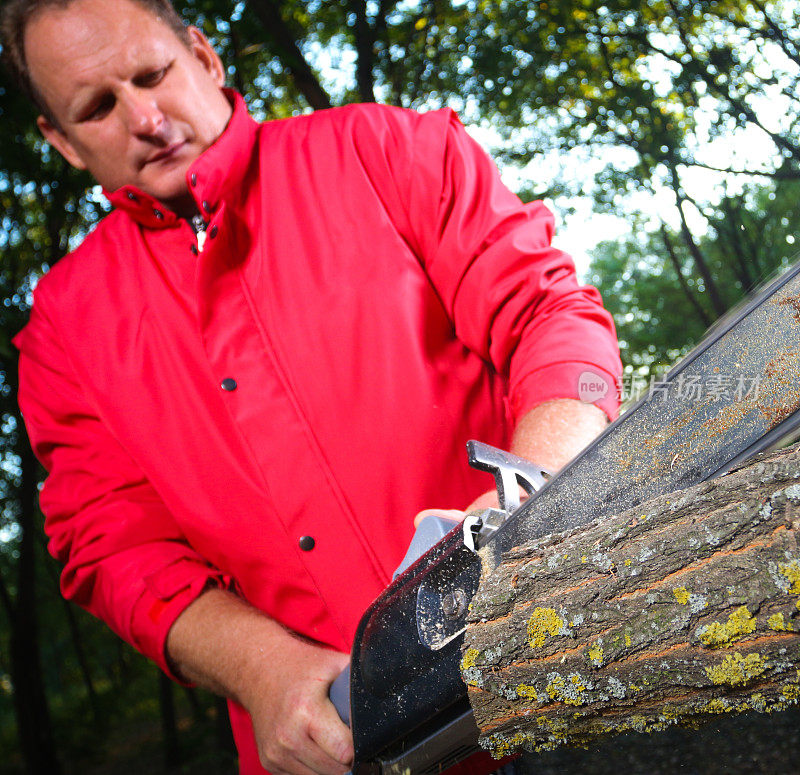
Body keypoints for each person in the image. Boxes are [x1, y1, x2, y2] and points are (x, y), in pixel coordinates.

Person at [2, 1, 622, 773]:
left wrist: (530, 502)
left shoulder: (385, 147)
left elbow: (548, 314)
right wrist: (260, 666)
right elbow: (111, 543)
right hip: (330, 747)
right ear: (60, 141)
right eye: (96, 107)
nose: (145, 117)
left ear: (204, 56)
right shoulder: (63, 327)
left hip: (561, 671)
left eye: (152, 74)